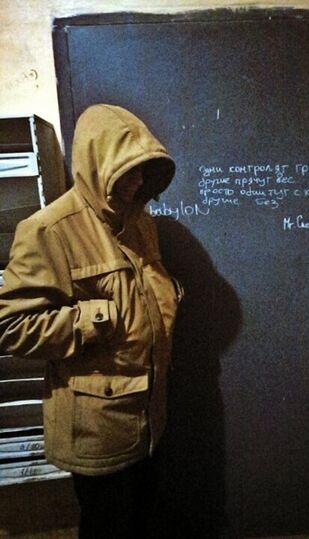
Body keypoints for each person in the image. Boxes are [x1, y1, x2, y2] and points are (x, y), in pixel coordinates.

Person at [0, 104, 182, 538]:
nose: (137, 182)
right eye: (127, 172)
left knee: (142, 522)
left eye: (144, 171)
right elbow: (12, 327)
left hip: (149, 416)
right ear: (96, 163)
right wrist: (96, 317)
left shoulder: (141, 223)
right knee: (108, 527)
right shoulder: (49, 230)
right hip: (98, 428)